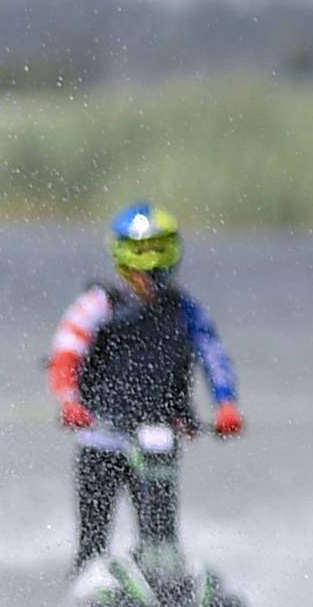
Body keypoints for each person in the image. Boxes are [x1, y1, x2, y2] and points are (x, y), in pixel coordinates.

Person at [45, 203, 242, 570]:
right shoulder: (98, 304)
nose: (151, 266)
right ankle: (86, 601)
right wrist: (70, 402)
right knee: (93, 541)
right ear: (123, 256)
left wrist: (226, 405)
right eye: (141, 252)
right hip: (101, 437)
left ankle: (164, 589)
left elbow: (213, 355)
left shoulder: (185, 310)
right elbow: (65, 356)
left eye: (159, 250)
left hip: (156, 438)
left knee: (161, 538)